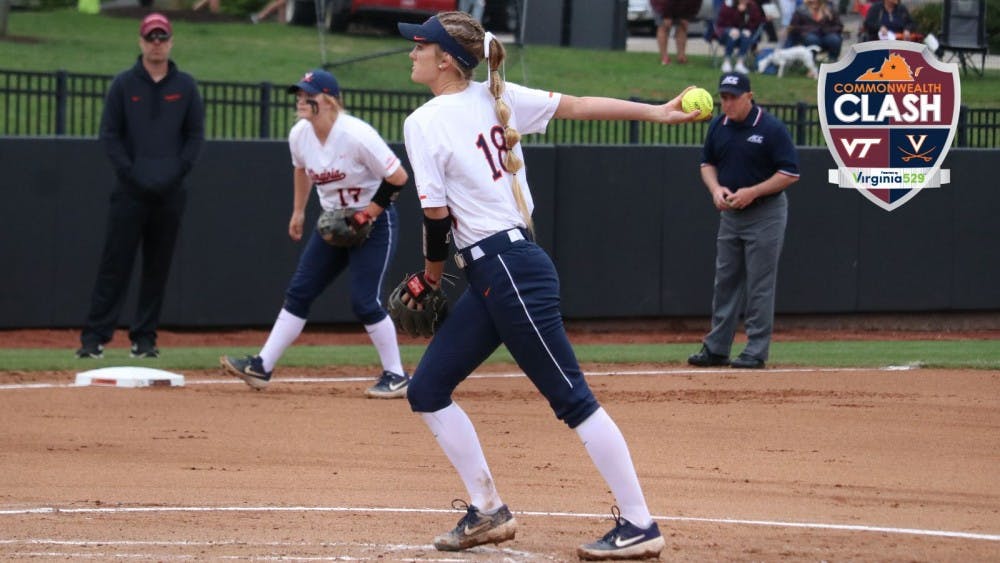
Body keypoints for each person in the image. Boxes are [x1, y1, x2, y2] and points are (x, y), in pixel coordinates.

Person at [395, 11, 703, 559]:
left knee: (572, 398)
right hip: (501, 271)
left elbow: (436, 219)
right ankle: (488, 509)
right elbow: (581, 106)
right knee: (427, 389)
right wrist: (654, 112)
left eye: (419, 46)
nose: (411, 53)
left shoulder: (427, 120)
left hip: (507, 270)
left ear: (446, 58)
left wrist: (429, 278)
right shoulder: (496, 95)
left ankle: (639, 523)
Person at [220, 69, 411, 399]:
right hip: (334, 222)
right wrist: (298, 210)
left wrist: (367, 215)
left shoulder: (356, 135)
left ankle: (396, 375)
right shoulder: (300, 135)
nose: (301, 100)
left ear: (330, 101)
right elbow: (300, 168)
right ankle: (261, 366)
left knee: (365, 302)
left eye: (308, 94)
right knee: (300, 291)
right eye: (299, 94)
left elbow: (398, 177)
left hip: (374, 223)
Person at [76, 13, 204, 360]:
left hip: (170, 192)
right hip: (130, 191)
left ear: (171, 42)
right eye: (151, 38)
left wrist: (174, 173)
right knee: (114, 264)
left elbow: (194, 137)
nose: (157, 43)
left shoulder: (186, 86)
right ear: (141, 42)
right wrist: (131, 174)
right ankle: (94, 338)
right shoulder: (123, 84)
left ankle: (144, 338)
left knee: (157, 267)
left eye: (163, 38)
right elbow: (110, 136)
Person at [687, 72, 799, 371]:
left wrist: (754, 191)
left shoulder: (771, 127)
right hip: (731, 214)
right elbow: (707, 163)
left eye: (733, 97)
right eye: (723, 97)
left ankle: (755, 350)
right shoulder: (718, 126)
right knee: (725, 281)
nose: (727, 103)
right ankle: (717, 348)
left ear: (749, 96)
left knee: (760, 284)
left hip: (765, 212)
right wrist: (715, 189)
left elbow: (790, 172)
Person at [714, 0, 765, 73]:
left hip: (743, 30)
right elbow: (723, 22)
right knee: (733, 34)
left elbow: (756, 21)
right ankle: (726, 61)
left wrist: (746, 14)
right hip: (725, 30)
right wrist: (738, 12)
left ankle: (740, 63)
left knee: (746, 35)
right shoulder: (728, 4)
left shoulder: (752, 6)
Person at [651, 0, 700, 64]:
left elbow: (695, 4)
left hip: (681, 6)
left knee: (682, 27)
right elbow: (663, 2)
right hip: (661, 4)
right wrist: (666, 15)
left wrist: (687, 16)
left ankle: (681, 57)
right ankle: (664, 57)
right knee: (664, 26)